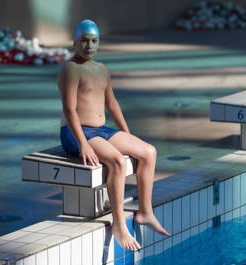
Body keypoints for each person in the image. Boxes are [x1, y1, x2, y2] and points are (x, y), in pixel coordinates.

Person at [58, 19, 171, 251]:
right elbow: (70, 110)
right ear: (74, 42)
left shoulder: (102, 69)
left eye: (94, 41)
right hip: (75, 132)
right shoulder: (70, 69)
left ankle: (145, 212)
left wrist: (127, 134)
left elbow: (112, 104)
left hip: (101, 130)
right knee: (117, 162)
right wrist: (83, 144)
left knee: (148, 152)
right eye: (84, 41)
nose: (89, 46)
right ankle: (119, 225)